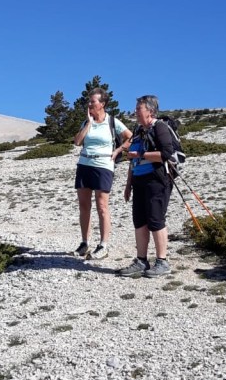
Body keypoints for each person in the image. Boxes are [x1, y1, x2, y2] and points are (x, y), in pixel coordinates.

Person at [115, 94, 174, 278]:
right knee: (140, 221)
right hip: (139, 180)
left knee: (155, 219)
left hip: (156, 180)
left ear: (150, 111)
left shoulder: (160, 127)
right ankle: (141, 261)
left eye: (139, 108)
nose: (135, 111)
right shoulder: (139, 131)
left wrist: (141, 154)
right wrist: (128, 185)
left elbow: (166, 154)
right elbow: (132, 161)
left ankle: (162, 262)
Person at [73, 88, 131, 261]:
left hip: (104, 166)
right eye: (89, 101)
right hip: (84, 164)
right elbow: (77, 142)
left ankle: (103, 245)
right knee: (84, 205)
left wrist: (118, 150)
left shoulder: (113, 121)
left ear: (102, 104)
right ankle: (85, 243)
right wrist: (89, 123)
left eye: (93, 101)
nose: (89, 104)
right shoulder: (87, 122)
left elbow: (131, 137)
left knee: (102, 206)